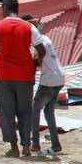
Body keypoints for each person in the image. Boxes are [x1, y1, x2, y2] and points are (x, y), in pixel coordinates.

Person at [0, 0, 45, 158]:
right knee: (25, 111)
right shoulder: (29, 28)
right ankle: (26, 146)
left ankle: (13, 148)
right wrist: (34, 63)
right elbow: (42, 50)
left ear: (5, 9)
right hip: (25, 76)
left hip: (4, 76)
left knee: (7, 112)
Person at [23, 16, 64, 155]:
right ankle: (55, 144)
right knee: (48, 112)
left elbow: (37, 60)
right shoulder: (46, 39)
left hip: (49, 79)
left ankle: (35, 144)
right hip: (59, 77)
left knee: (35, 110)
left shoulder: (38, 42)